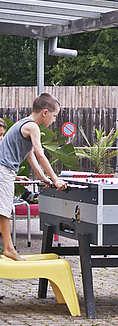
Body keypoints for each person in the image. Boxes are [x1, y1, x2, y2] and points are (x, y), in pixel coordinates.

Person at [0, 93, 67, 261]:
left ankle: (9, 247)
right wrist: (56, 179)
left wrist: (43, 177)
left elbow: (30, 156)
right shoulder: (32, 127)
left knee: (3, 209)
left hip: (6, 170)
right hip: (4, 170)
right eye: (54, 116)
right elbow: (40, 155)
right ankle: (8, 248)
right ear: (45, 112)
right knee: (4, 210)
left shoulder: (24, 124)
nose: (54, 120)